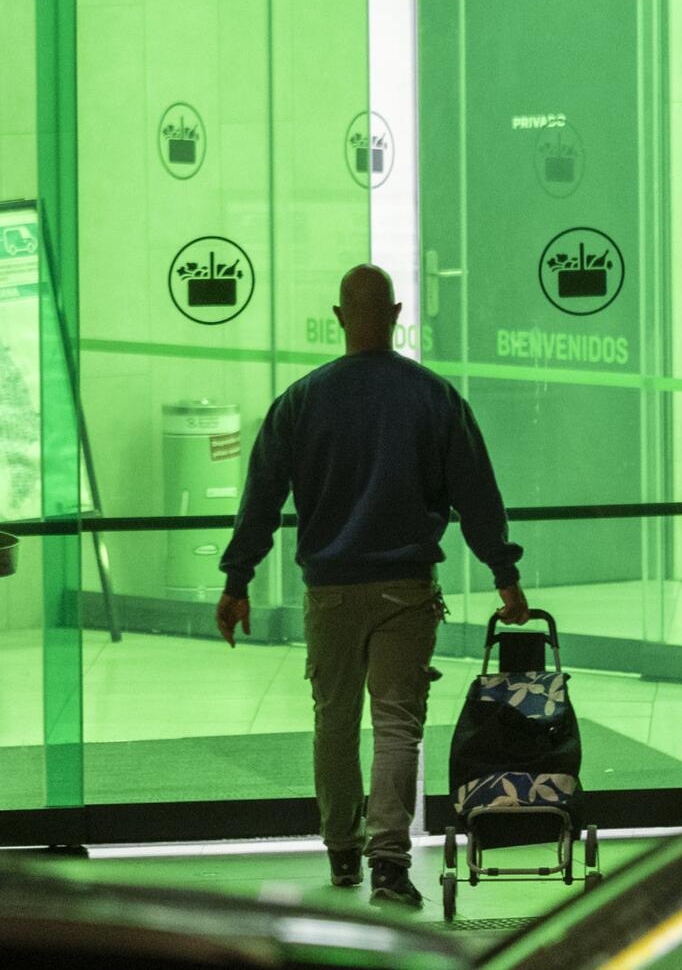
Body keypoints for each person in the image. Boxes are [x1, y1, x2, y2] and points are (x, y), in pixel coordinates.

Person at [216, 264, 529, 910]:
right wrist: (505, 575)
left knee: (333, 723)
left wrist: (237, 579)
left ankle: (341, 851)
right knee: (397, 726)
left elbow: (262, 499)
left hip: (329, 591)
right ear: (396, 312)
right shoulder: (435, 396)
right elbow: (478, 495)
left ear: (339, 315)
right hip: (406, 590)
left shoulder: (301, 400)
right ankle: (389, 865)